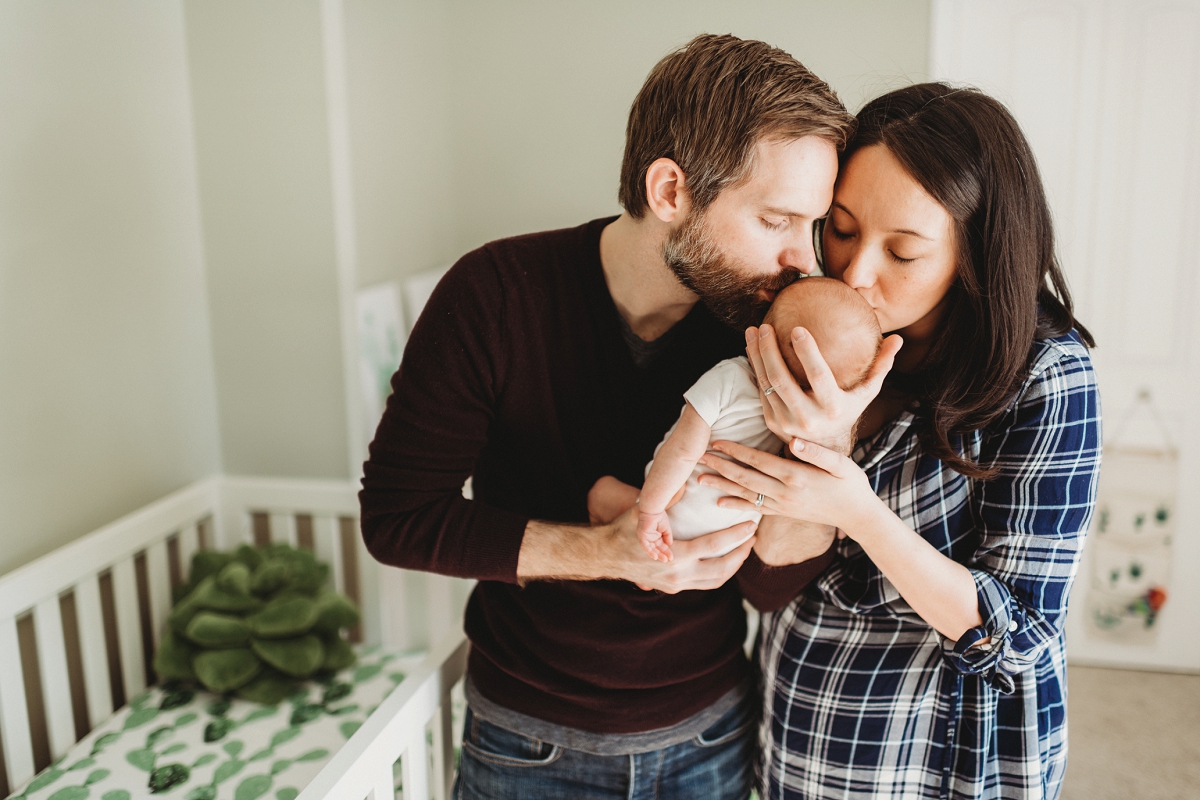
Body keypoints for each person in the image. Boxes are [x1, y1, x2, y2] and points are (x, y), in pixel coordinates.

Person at [358, 35, 900, 800]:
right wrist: (609, 552)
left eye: (811, 228)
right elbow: (398, 519)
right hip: (523, 742)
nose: (803, 264)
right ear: (670, 190)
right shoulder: (494, 294)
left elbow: (771, 589)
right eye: (777, 221)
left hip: (708, 735)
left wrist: (827, 443)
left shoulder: (764, 334)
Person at [698, 83, 1101, 799]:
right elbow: (764, 586)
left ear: (975, 254)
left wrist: (857, 510)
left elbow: (1021, 641)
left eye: (905, 251)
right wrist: (816, 444)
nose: (855, 275)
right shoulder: (810, 328)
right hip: (801, 737)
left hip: (938, 763)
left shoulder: (1048, 376)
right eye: (843, 229)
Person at [636, 277, 881, 562]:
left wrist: (649, 511)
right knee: (607, 498)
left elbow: (681, 450)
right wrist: (650, 510)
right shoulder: (790, 421)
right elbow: (682, 451)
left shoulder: (730, 379)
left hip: (685, 525)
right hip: (691, 524)